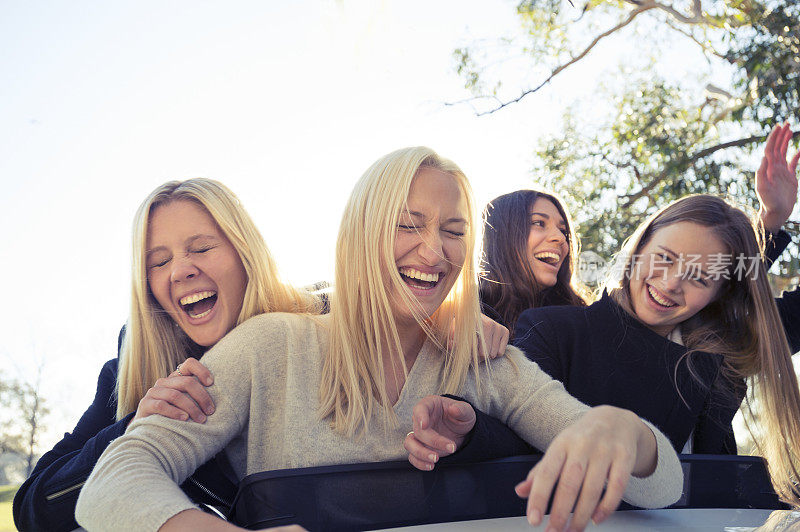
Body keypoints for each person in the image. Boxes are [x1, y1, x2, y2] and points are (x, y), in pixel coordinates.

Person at [74, 146, 683, 532]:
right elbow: (117, 477)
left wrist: (619, 430)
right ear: (361, 235)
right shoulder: (268, 348)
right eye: (406, 224)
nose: (434, 250)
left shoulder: (485, 362)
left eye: (453, 230)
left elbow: (662, 485)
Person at [409, 125, 800, 507]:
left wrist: (769, 225)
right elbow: (520, 427)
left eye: (699, 278)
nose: (672, 283)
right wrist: (465, 429)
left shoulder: (719, 350)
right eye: (663, 258)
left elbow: (725, 277)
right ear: (640, 246)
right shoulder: (552, 330)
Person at [13, 178, 319, 532]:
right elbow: (33, 509)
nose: (179, 271)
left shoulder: (318, 330)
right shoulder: (126, 376)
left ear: (246, 254)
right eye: (158, 262)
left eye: (202, 248)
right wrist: (132, 429)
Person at [480, 189, 587, 333]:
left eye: (563, 231)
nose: (561, 238)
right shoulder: (455, 317)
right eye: (539, 223)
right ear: (502, 236)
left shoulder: (582, 321)